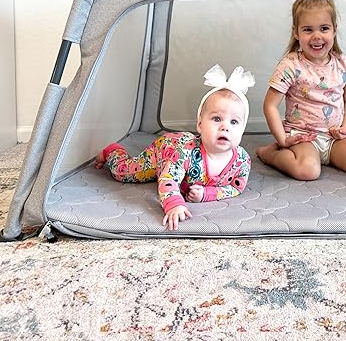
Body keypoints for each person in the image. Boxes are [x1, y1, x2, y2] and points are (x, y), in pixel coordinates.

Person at [95, 64, 254, 230]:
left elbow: (236, 187)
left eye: (234, 121)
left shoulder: (242, 160)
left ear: (242, 130)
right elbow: (168, 179)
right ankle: (112, 151)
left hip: (177, 155)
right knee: (124, 172)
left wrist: (207, 194)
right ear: (200, 125)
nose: (225, 127)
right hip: (166, 151)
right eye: (216, 119)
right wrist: (174, 204)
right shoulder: (185, 153)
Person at [256, 0, 346, 181]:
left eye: (324, 28)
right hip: (303, 137)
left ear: (334, 30)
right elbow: (270, 105)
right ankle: (270, 154)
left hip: (334, 138)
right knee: (308, 171)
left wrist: (345, 129)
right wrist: (282, 139)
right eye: (308, 30)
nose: (316, 36)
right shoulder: (290, 65)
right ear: (296, 32)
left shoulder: (344, 64)